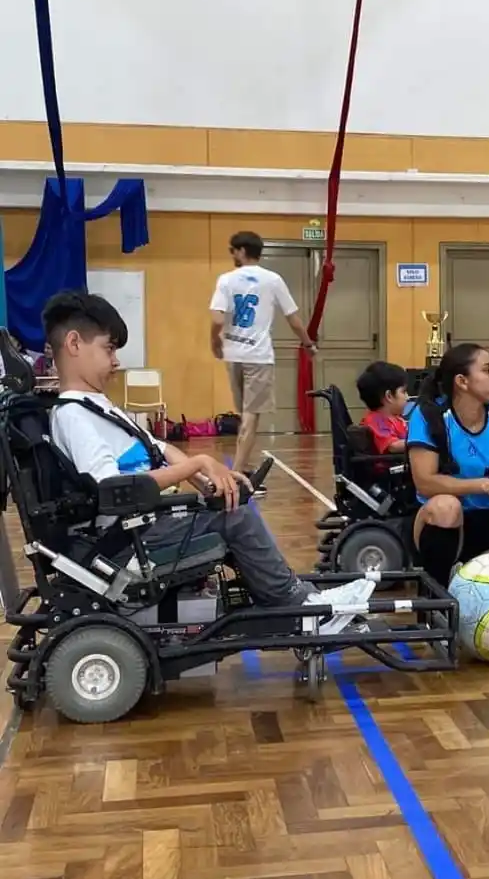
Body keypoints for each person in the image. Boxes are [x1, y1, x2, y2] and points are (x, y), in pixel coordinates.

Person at [43, 291, 349, 627]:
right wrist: (195, 465)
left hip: (140, 525)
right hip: (127, 539)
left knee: (228, 504)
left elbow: (155, 445)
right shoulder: (75, 416)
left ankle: (282, 593)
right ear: (74, 343)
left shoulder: (96, 405)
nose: (116, 361)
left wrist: (200, 474)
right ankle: (298, 606)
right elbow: (115, 491)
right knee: (237, 517)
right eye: (109, 348)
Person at [407, 344, 489, 587]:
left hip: (488, 519)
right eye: (487, 370)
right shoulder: (429, 416)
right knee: (447, 507)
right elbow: (425, 483)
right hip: (440, 522)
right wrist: (484, 485)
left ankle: (468, 580)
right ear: (462, 381)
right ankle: (436, 597)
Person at [209, 231, 317, 481]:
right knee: (250, 415)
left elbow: (216, 318)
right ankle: (237, 472)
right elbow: (293, 319)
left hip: (233, 354)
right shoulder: (273, 280)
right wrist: (308, 343)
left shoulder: (226, 280)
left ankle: (240, 464)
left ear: (242, 251)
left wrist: (215, 341)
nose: (232, 255)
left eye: (233, 250)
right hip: (258, 356)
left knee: (244, 413)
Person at [356, 361, 410, 455]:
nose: (407, 397)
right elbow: (393, 446)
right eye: (403, 392)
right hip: (390, 467)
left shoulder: (396, 419)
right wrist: (421, 444)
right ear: (389, 396)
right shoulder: (376, 420)